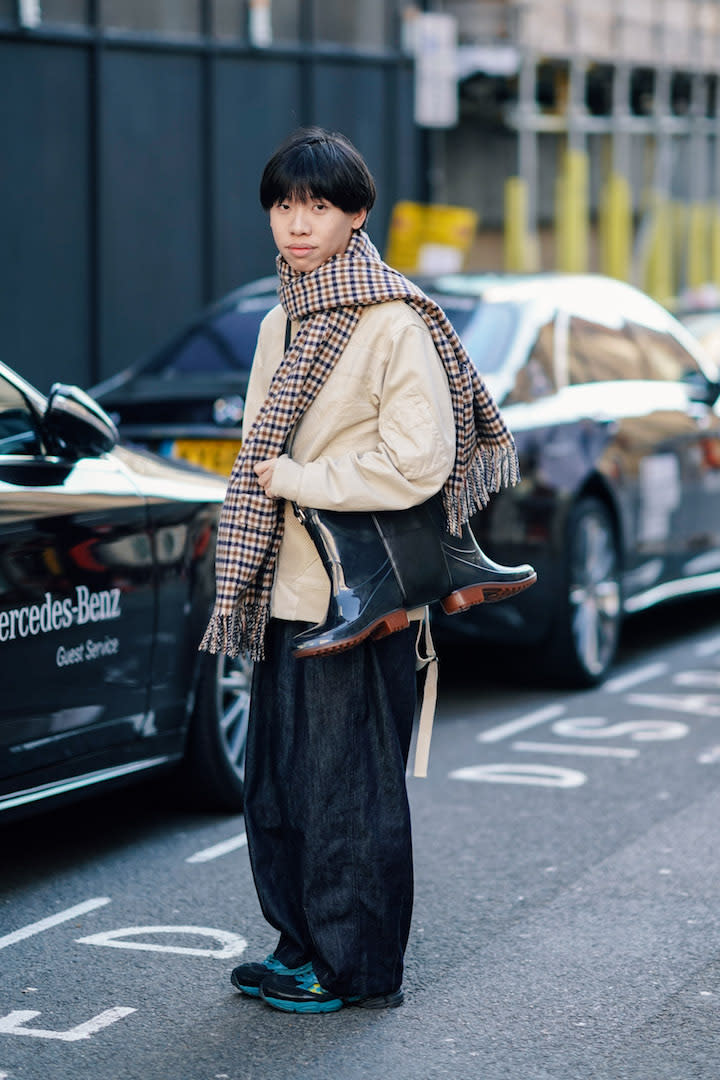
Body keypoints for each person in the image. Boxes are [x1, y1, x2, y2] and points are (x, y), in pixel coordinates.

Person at [201, 127, 521, 1014]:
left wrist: (299, 478)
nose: (298, 224)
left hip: (361, 594)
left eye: (320, 206)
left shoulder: (392, 321)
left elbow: (419, 459)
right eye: (284, 204)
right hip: (283, 586)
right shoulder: (281, 317)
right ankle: (299, 948)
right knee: (276, 787)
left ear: (357, 215)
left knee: (347, 792)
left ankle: (357, 969)